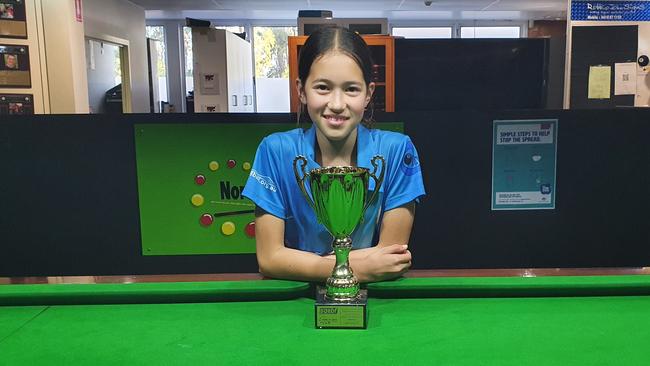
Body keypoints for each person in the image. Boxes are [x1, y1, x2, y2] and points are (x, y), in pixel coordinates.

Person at [242, 26, 425, 283]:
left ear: (368, 93)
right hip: (296, 302)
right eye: (323, 88)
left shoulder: (396, 151)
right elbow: (270, 259)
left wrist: (298, 262)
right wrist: (355, 267)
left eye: (351, 89)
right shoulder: (275, 151)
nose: (337, 104)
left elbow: (390, 258)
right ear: (302, 91)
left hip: (372, 300)